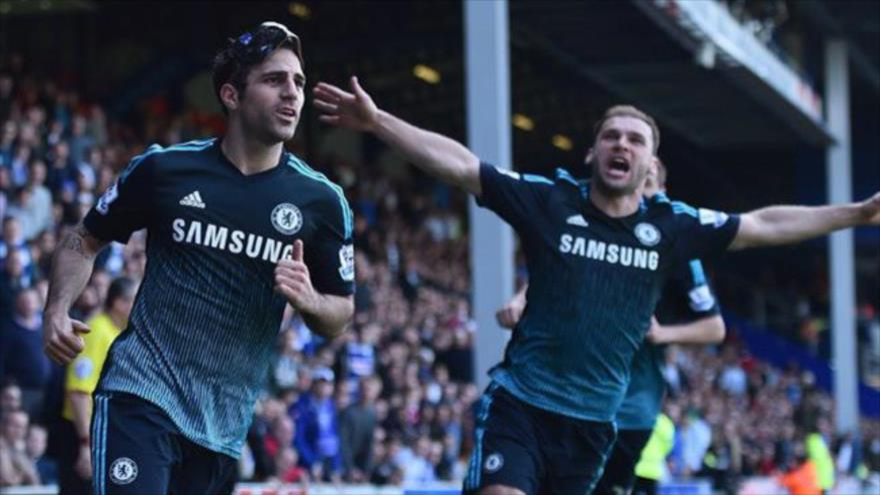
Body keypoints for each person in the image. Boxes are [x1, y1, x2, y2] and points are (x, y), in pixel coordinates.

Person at [313, 77, 880, 495]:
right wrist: (378, 122)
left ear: (650, 162)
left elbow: (762, 225)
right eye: (611, 136)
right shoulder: (551, 201)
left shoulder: (670, 227)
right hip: (522, 406)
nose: (622, 145)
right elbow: (462, 167)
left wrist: (854, 214)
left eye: (635, 140)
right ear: (593, 152)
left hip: (593, 426)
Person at [42, 21, 355, 494]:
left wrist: (310, 300)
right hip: (139, 394)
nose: (292, 94)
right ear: (231, 96)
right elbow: (83, 239)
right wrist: (56, 308)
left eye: (298, 82)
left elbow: (340, 313)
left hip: (221, 426)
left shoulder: (322, 202)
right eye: (274, 80)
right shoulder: (164, 169)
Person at [495, 159, 727, 495]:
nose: (640, 197)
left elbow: (715, 328)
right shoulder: (593, 231)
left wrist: (663, 334)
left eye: (648, 187)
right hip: (571, 398)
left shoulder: (677, 250)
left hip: (631, 409)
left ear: (661, 193)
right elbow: (557, 276)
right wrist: (520, 299)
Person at [57, 277, 136, 494]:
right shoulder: (96, 331)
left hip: (104, 433)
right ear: (120, 303)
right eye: (134, 300)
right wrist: (86, 444)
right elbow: (79, 391)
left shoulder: (118, 333)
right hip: (83, 434)